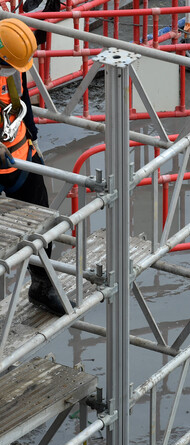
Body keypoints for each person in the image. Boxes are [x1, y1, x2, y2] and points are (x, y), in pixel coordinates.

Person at [0, 17, 71, 315]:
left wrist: (34, 137)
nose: (14, 71)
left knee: (43, 221)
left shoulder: (12, 65)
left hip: (20, 158)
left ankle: (41, 286)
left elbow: (22, 102)